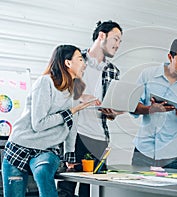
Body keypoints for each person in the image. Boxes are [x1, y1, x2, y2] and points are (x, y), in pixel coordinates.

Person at [1, 44, 94, 197]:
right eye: (80, 59)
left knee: (43, 173)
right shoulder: (45, 82)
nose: (84, 64)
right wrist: (69, 113)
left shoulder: (74, 91)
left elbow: (72, 127)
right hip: (19, 147)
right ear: (68, 63)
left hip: (46, 150)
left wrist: (70, 157)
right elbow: (38, 124)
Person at [57, 20, 123, 197]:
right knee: (66, 189)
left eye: (120, 42)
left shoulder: (113, 71)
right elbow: (59, 95)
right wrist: (78, 98)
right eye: (115, 39)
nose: (117, 45)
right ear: (102, 36)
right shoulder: (74, 60)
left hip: (99, 138)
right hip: (74, 135)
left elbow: (110, 110)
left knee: (94, 191)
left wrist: (114, 112)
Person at [131, 38, 177, 170]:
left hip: (173, 155)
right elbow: (133, 107)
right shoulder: (148, 75)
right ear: (170, 57)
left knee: (170, 190)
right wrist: (150, 109)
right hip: (144, 150)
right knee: (138, 189)